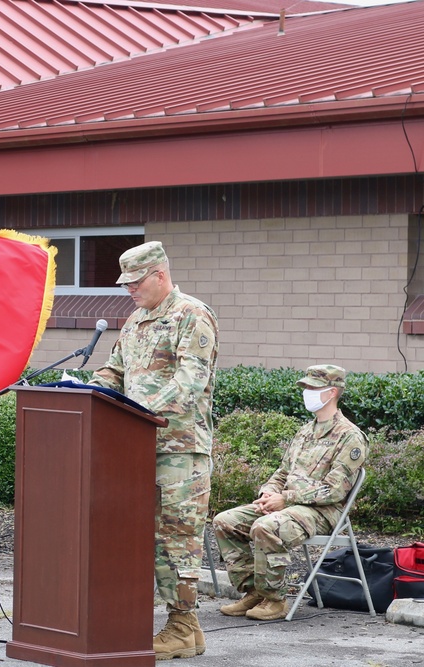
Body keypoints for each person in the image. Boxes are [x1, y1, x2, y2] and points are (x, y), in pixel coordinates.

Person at [88, 240, 218, 661]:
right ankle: (186, 630)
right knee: (151, 537)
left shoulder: (192, 315)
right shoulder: (135, 321)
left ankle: (182, 625)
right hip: (139, 447)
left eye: (135, 281)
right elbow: (116, 371)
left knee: (177, 537)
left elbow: (189, 382)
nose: (129, 290)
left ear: (159, 275)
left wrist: (137, 409)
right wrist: (88, 390)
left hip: (182, 451)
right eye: (125, 283)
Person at [212, 364, 367, 621]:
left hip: (323, 512)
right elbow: (283, 473)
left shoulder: (350, 437)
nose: (306, 392)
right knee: (225, 522)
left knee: (266, 526)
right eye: (305, 387)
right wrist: (268, 494)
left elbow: (334, 491)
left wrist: (285, 499)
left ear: (331, 393)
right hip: (288, 506)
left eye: (312, 388)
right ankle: (255, 592)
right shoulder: (305, 431)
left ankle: (275, 599)